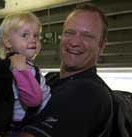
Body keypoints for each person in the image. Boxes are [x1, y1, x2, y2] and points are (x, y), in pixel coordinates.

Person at [18, 3, 113, 137]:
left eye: (87, 36)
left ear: (102, 46)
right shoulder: (51, 79)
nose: (75, 42)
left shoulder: (90, 91)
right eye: (70, 32)